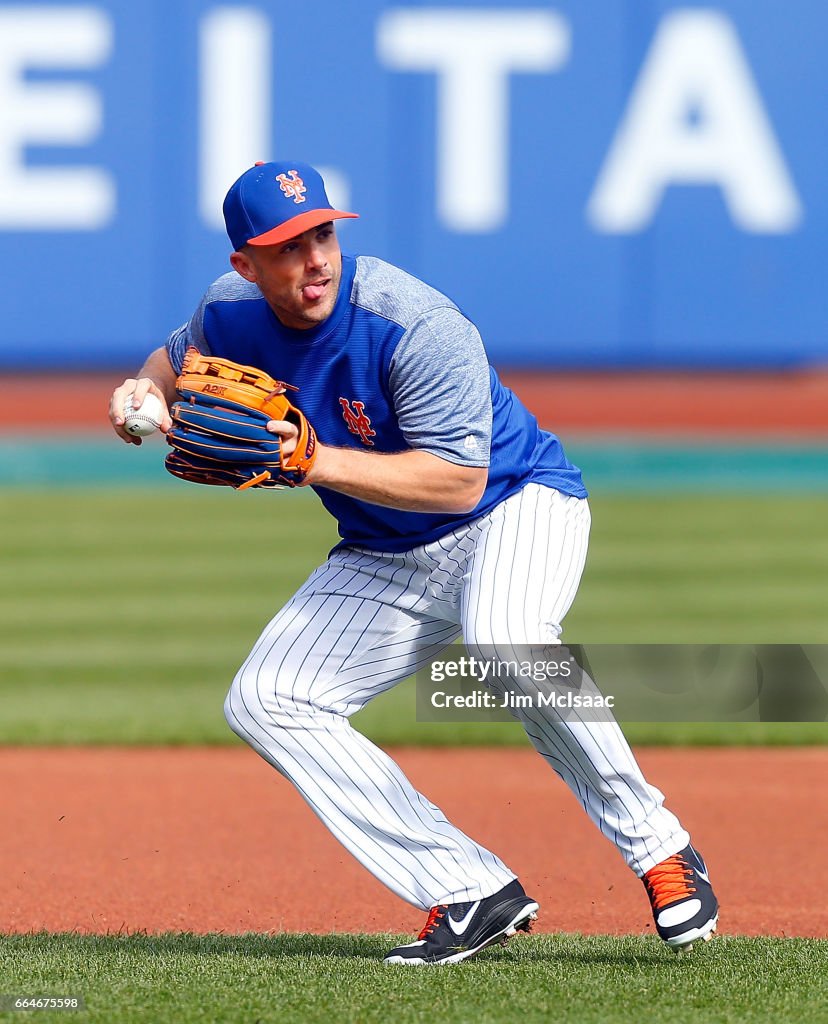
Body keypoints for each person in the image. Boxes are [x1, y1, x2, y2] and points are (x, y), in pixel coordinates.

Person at [108, 160, 719, 965]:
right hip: (387, 551)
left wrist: (310, 459)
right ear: (246, 268)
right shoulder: (229, 313)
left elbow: (458, 482)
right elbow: (172, 362)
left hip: (516, 504)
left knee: (506, 635)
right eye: (288, 248)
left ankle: (662, 851)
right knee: (268, 698)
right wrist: (140, 398)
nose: (315, 259)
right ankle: (467, 888)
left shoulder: (413, 323)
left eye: (322, 234)